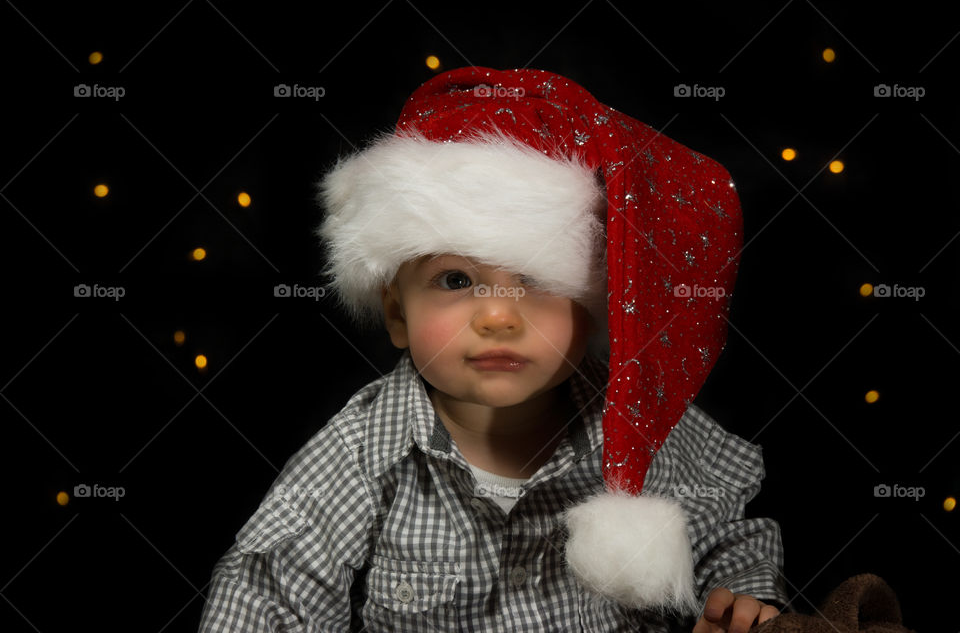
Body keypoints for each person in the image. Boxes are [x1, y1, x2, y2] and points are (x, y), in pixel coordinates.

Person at [198, 66, 789, 632]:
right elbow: (269, 592)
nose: (499, 316)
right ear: (398, 313)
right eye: (455, 280)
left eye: (538, 279)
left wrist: (739, 600)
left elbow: (725, 531)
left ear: (593, 307)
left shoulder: (639, 420)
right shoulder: (359, 457)